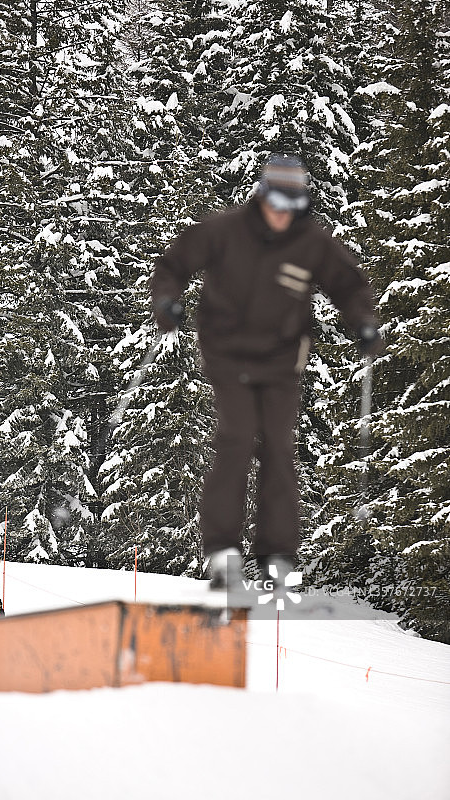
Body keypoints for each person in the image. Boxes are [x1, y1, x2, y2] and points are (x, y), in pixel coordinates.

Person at [151, 153, 383, 590]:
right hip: (227, 353)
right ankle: (222, 549)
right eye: (274, 201)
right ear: (261, 196)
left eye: (290, 205)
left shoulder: (311, 242)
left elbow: (349, 285)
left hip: (281, 359)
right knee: (237, 438)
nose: (281, 213)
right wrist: (167, 301)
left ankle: (277, 553)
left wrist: (364, 323)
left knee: (278, 445)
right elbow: (174, 264)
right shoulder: (225, 230)